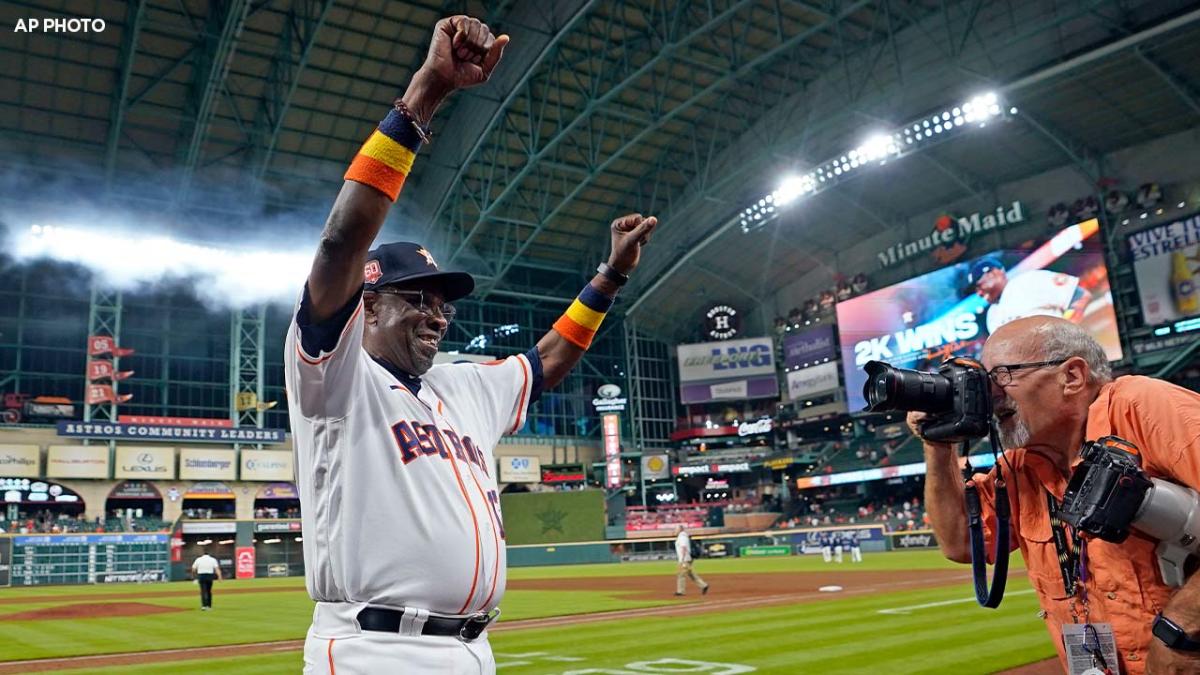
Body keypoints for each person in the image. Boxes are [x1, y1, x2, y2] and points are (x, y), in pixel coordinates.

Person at [283, 15, 659, 674]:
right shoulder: (335, 379)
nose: (438, 313)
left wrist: (612, 275)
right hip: (378, 650)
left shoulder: (462, 387)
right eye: (418, 297)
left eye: (444, 301)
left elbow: (550, 359)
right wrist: (427, 94)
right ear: (367, 304)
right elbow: (342, 243)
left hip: (473, 649)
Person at [913, 316, 1200, 674]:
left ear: (1072, 376)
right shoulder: (1018, 466)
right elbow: (962, 544)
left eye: (1002, 375)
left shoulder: (1140, 405)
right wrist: (937, 447)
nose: (991, 396)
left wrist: (1180, 629)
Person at [967, 256, 1092, 334]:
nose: (978, 293)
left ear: (994, 273)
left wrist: (1065, 336)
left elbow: (1080, 296)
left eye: (978, 285)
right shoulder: (991, 316)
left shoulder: (1029, 281)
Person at [674, 526, 709, 597]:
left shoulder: (682, 537)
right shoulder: (683, 536)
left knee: (681, 574)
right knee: (691, 574)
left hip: (685, 559)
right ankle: (704, 585)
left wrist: (682, 559)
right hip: (687, 559)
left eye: (676, 529)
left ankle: (681, 591)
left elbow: (684, 548)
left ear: (680, 530)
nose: (675, 531)